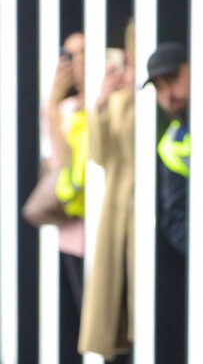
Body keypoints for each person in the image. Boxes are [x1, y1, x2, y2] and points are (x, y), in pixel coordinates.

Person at [78, 18, 135, 363]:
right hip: (118, 205)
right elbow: (99, 154)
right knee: (115, 297)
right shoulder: (119, 99)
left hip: (142, 209)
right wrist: (102, 101)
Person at [48, 31, 87, 364]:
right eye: (69, 55)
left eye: (83, 52)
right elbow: (59, 164)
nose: (76, 62)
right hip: (74, 231)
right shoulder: (66, 110)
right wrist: (52, 104)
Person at [143, 41, 190, 255]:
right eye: (159, 87)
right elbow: (175, 220)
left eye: (172, 79)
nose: (168, 94)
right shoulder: (171, 145)